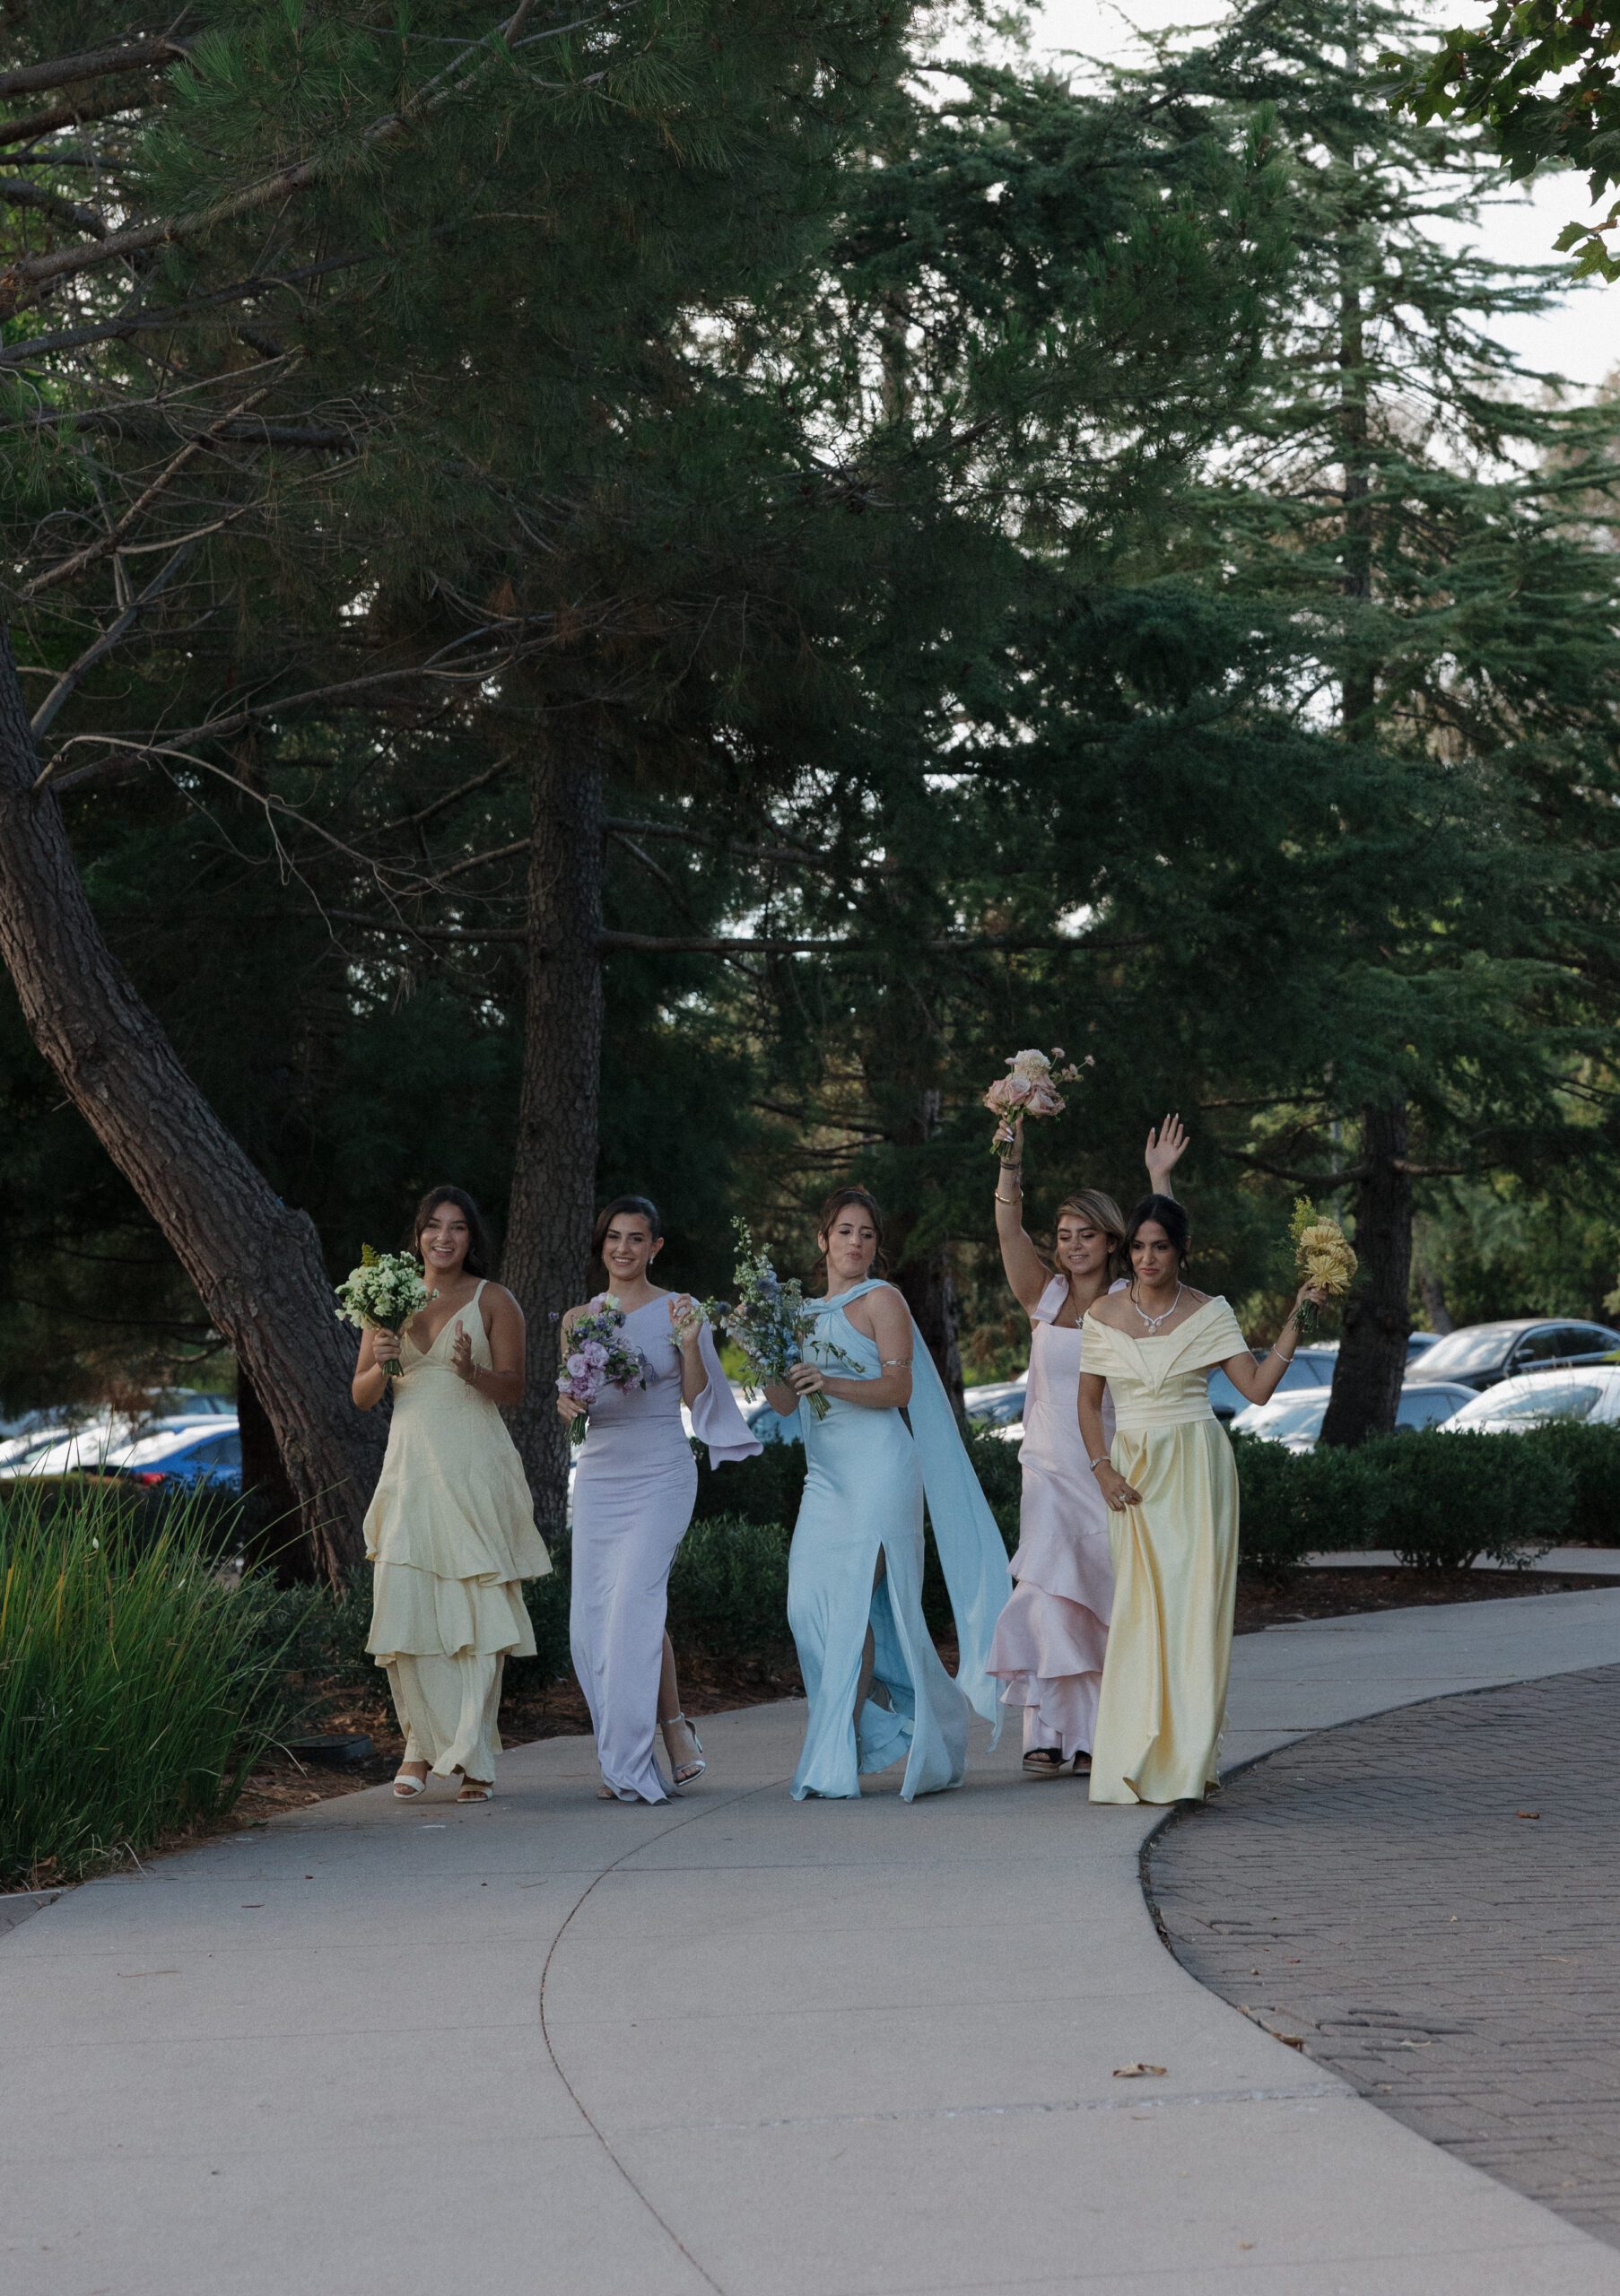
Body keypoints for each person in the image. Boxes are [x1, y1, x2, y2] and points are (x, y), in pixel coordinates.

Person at [1078, 1195, 1325, 1806]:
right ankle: (1129, 1759)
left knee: (1194, 1617)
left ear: (1181, 1252)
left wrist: (1298, 1318)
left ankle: (1186, 1766)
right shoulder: (1103, 1314)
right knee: (1139, 1614)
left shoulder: (1211, 1312)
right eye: (1137, 1246)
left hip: (1197, 1470)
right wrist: (1102, 1469)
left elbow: (1258, 1390)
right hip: (1132, 1476)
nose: (1146, 1257)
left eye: (1159, 1246)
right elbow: (1087, 1404)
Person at [769, 1187, 1009, 1802]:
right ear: (822, 1239)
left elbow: (897, 1391)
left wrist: (833, 1380)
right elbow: (782, 1402)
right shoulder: (794, 1312)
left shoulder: (882, 1301)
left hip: (881, 1470)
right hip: (824, 1479)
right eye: (844, 1231)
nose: (855, 1242)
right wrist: (765, 1352)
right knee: (806, 1609)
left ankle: (833, 1753)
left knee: (852, 1605)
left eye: (866, 1233)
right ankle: (899, 1722)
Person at [986, 1116, 1189, 1779]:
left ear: (1111, 1241)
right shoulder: (1041, 1298)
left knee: (1104, 1600)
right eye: (1064, 1237)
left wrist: (1160, 1179)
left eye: (1086, 1236)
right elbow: (1009, 1230)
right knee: (1046, 1594)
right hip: (1047, 1465)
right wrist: (1010, 1157)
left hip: (1110, 1465)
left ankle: (1101, 1733)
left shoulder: (1133, 1301)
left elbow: (1170, 1250)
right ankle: (1044, 1731)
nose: (1073, 1247)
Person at [353, 1187, 551, 1804]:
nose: (444, 1237)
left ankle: (475, 1756)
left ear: (471, 1238)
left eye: (458, 1227)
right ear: (418, 1235)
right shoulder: (385, 1299)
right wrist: (382, 1360)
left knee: (475, 1612)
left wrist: (472, 1373)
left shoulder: (495, 1300)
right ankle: (416, 1748)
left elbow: (516, 1387)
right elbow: (361, 1395)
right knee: (405, 1603)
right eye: (434, 1226)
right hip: (410, 1470)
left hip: (473, 1467)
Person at [561, 1196, 760, 1804]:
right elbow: (572, 1398)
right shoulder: (578, 1318)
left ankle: (631, 1759)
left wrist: (694, 1341)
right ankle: (628, 1748)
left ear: (655, 1247)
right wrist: (564, 1405)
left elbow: (694, 1398)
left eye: (637, 1238)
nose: (623, 1248)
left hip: (661, 1468)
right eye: (614, 1237)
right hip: (600, 1471)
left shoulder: (680, 1308)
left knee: (633, 1606)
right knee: (591, 1622)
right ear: (602, 1245)